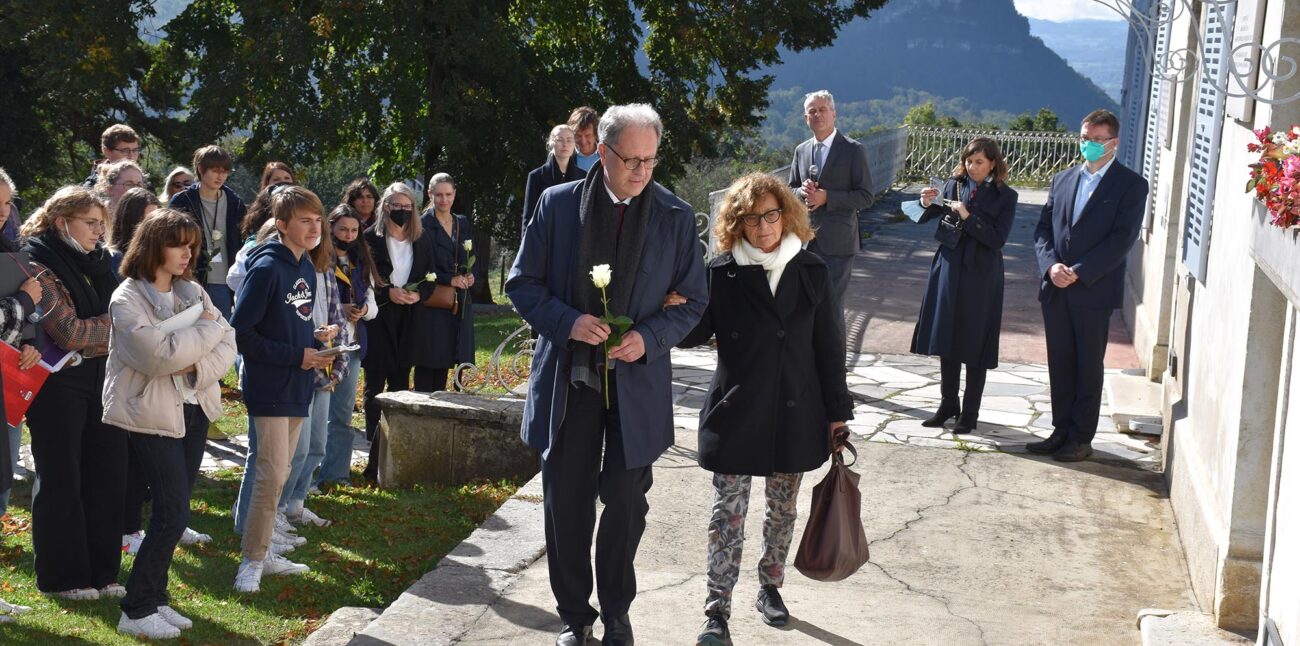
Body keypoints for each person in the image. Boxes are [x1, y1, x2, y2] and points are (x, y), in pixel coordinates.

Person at [506, 103, 708, 646]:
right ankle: (576, 617)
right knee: (566, 502)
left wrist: (651, 336)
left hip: (635, 385)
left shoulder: (674, 215)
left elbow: (694, 302)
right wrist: (569, 322)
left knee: (625, 500)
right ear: (603, 151)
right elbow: (521, 284)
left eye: (650, 160)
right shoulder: (557, 204)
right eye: (630, 160)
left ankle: (617, 612)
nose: (641, 171)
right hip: (570, 381)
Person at [675, 172, 851, 645]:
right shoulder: (719, 273)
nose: (763, 227)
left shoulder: (812, 268)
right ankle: (716, 612)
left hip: (796, 411)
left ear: (787, 215)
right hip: (736, 411)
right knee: (726, 515)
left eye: (772, 215)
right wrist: (673, 302)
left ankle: (770, 587)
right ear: (737, 223)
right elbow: (692, 333)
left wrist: (838, 412)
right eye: (751, 219)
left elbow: (830, 347)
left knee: (782, 510)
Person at [103, 210, 236, 638]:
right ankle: (136, 608)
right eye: (179, 243)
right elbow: (156, 357)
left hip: (193, 407)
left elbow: (228, 341)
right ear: (153, 245)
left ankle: (156, 599)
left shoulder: (192, 289)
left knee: (172, 511)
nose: (188, 253)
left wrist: (195, 367)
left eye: (192, 245)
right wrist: (205, 331)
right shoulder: (127, 298)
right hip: (150, 413)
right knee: (172, 512)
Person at [21, 186, 124, 600]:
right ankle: (64, 577)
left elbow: (117, 317)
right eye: (91, 223)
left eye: (103, 224)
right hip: (57, 385)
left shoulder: (101, 263)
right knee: (63, 475)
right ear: (62, 222)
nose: (100, 232)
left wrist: (104, 327)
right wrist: (114, 325)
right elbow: (67, 331)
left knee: (108, 473)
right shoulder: (37, 262)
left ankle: (102, 572)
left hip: (104, 378)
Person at [228, 185, 333, 592]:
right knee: (270, 474)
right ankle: (251, 563)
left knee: (282, 471)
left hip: (298, 382)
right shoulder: (267, 267)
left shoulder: (304, 266)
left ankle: (265, 551)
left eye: (317, 220)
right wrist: (297, 356)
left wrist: (316, 336)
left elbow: (290, 320)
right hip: (271, 384)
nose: (314, 227)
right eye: (305, 221)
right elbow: (243, 333)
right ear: (283, 225)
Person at [1030, 109, 1148, 462]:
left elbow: (1121, 239)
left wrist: (1078, 271)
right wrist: (1051, 267)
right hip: (1056, 287)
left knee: (1087, 365)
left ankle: (1081, 437)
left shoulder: (1130, 185)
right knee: (1060, 362)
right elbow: (1042, 231)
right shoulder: (1063, 179)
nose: (1089, 145)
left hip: (1092, 290)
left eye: (1097, 140)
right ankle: (1060, 429)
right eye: (1084, 138)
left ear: (1113, 143)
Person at [910, 138, 1019, 434]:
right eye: (969, 161)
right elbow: (925, 216)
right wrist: (925, 200)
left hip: (981, 274)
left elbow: (997, 240)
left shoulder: (1006, 196)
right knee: (946, 335)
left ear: (993, 164)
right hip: (948, 267)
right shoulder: (954, 185)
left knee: (974, 340)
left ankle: (970, 411)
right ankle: (948, 404)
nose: (973, 167)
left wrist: (968, 218)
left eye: (980, 162)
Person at [360, 182, 435, 482]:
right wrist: (387, 293)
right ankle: (372, 453)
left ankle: (390, 454)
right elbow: (362, 278)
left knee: (401, 385)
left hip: (409, 320)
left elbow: (431, 277)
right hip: (380, 319)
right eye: (395, 206)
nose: (401, 211)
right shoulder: (369, 238)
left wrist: (419, 295)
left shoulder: (422, 239)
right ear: (385, 207)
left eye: (407, 207)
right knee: (374, 388)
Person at [787, 90, 874, 347]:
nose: (818, 115)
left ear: (834, 113)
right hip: (804, 242)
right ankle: (808, 365)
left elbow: (866, 196)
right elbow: (789, 189)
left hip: (838, 243)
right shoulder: (801, 151)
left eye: (822, 109)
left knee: (831, 306)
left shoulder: (853, 150)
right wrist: (800, 192)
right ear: (806, 118)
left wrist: (829, 198)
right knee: (803, 304)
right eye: (812, 111)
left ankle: (834, 371)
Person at [278, 225, 345, 528]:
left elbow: (336, 316)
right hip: (300, 365)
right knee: (297, 448)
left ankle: (296, 503)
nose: (313, 232)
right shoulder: (285, 271)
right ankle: (276, 510)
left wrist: (333, 334)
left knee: (317, 443)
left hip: (325, 363)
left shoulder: (325, 270)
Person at [0, 169, 41, 624]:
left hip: (6, 384)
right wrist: (25, 305)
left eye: (8, 204)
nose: (4, 214)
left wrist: (27, 340)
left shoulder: (9, 250)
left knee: (2, 484)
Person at [315, 204, 379, 488]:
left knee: (341, 416)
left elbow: (374, 304)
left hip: (351, 346)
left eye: (354, 230)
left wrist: (364, 310)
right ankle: (304, 475)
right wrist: (340, 307)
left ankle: (335, 476)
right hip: (321, 347)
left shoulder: (361, 260)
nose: (349, 235)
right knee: (314, 416)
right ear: (330, 227)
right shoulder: (317, 258)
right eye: (343, 229)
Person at [169, 145, 248, 320]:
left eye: (225, 171)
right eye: (215, 170)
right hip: (189, 278)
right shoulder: (182, 201)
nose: (221, 176)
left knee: (220, 335)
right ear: (200, 169)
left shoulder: (236, 203)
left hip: (225, 282)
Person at [418, 173, 475, 391]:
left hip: (459, 299)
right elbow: (420, 265)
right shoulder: (422, 224)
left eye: (448, 194)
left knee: (451, 353)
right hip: (434, 298)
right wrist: (449, 279)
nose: (444, 200)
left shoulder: (461, 222)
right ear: (430, 194)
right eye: (439, 195)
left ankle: (443, 401)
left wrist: (471, 274)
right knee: (431, 355)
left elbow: (472, 255)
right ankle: (424, 404)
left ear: (454, 194)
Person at [523, 125, 587, 236]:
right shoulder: (536, 176)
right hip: (545, 239)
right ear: (551, 143)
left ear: (574, 145)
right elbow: (529, 217)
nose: (565, 144)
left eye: (569, 140)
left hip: (574, 241)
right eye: (559, 140)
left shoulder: (584, 177)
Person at [108, 188, 160, 277]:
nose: (153, 226)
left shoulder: (160, 255)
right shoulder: (113, 258)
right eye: (147, 220)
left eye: (157, 220)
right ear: (130, 221)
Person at [568, 106, 601, 172]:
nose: (583, 141)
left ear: (596, 134)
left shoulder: (607, 154)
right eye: (578, 136)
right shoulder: (566, 157)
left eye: (587, 135)